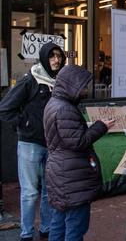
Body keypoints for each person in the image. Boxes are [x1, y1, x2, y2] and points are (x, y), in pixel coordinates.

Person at [0, 42, 66, 241]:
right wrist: (26, 123)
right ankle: (26, 234)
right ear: (44, 57)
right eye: (52, 56)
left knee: (48, 191)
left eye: (59, 56)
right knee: (29, 193)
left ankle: (45, 230)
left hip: (52, 145)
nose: (56, 60)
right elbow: (5, 108)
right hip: (30, 144)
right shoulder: (30, 79)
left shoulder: (60, 81)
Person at [43, 65, 116, 241]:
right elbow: (78, 141)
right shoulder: (65, 109)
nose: (84, 90)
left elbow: (68, 137)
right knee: (75, 228)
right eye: (82, 86)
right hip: (72, 177)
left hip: (60, 173)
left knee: (58, 224)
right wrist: (101, 126)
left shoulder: (53, 104)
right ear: (71, 85)